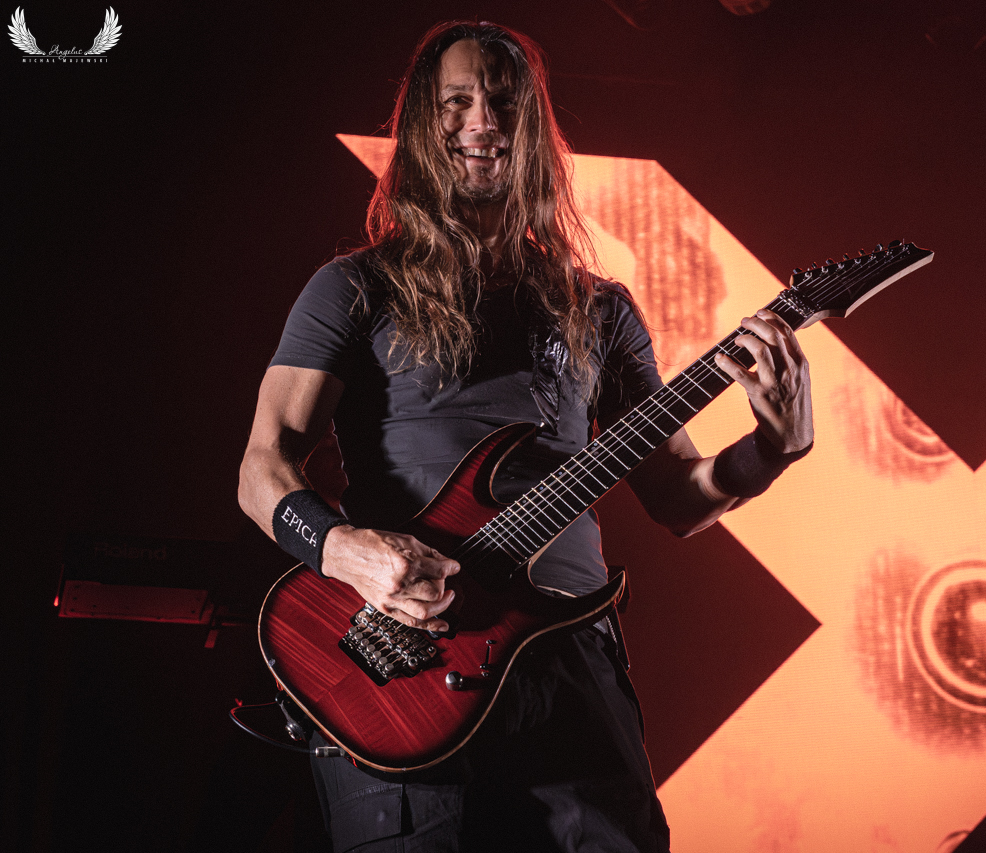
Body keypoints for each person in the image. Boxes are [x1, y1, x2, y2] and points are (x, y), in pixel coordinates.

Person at [238, 20, 813, 853]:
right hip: (403, 659)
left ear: (535, 129)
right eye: (457, 102)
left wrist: (772, 448)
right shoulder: (353, 287)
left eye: (504, 102)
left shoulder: (601, 310)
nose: (483, 121)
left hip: (567, 660)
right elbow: (262, 470)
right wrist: (347, 551)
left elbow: (679, 498)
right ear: (422, 127)